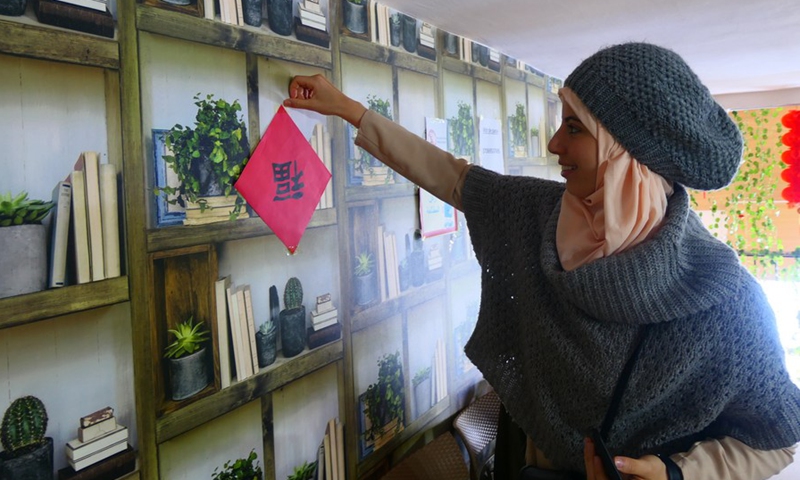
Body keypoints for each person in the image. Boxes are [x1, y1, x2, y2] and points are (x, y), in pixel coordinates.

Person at [283, 42, 800, 480]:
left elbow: (777, 437)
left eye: (575, 128)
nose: (553, 144)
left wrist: (679, 473)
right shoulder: (541, 215)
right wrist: (348, 108)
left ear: (627, 154)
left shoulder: (723, 299)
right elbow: (454, 177)